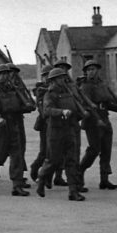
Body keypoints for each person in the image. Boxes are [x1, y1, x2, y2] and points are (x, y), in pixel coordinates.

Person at [0, 64, 31, 196]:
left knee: (17, 156)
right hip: (1, 127)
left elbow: (19, 105)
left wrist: (27, 107)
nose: (4, 76)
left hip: (14, 125)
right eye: (1, 74)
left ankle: (17, 186)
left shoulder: (13, 89)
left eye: (6, 74)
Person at [36, 67, 84, 201]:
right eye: (60, 78)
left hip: (69, 129)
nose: (63, 79)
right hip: (56, 131)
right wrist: (61, 112)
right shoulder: (49, 94)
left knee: (71, 160)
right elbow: (47, 110)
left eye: (63, 77)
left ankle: (73, 191)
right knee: (53, 160)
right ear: (53, 80)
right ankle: (41, 179)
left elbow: (75, 107)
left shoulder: (69, 92)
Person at [77, 60, 117, 190]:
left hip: (104, 117)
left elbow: (106, 101)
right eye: (89, 69)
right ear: (86, 72)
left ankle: (104, 179)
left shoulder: (102, 84)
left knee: (106, 150)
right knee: (94, 150)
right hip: (92, 121)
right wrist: (97, 118)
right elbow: (87, 105)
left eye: (94, 69)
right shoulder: (85, 86)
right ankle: (79, 172)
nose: (92, 71)